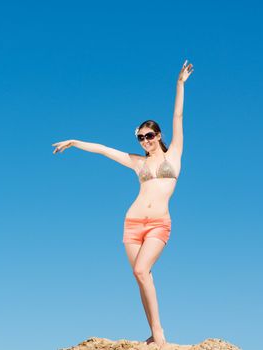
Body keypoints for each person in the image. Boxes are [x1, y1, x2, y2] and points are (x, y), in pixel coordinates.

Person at [52, 60, 194, 348]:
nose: (145, 141)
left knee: (142, 271)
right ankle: (155, 331)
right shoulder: (136, 161)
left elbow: (178, 116)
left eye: (149, 136)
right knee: (142, 278)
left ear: (159, 135)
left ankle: (161, 335)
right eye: (140, 137)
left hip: (158, 224)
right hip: (132, 224)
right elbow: (104, 150)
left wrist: (179, 84)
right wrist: (75, 142)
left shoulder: (174, 155)